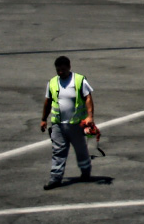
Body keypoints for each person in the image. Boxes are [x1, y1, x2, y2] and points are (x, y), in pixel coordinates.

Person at [40, 56, 95, 190]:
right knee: (58, 151)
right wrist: (43, 119)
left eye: (63, 69)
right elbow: (48, 102)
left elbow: (88, 98)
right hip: (58, 124)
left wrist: (90, 117)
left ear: (69, 67)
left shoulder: (79, 80)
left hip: (76, 124)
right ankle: (55, 178)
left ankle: (85, 172)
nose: (60, 72)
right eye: (58, 70)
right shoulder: (52, 82)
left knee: (81, 150)